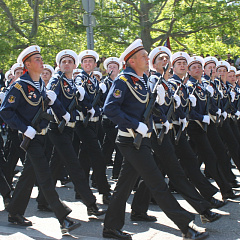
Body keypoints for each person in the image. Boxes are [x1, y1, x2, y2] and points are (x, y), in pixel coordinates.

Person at [102, 39, 209, 240]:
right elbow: (109, 109)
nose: (147, 58)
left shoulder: (141, 80)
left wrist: (159, 118)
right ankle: (186, 226)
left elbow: (145, 108)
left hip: (142, 139)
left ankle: (110, 227)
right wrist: (135, 125)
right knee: (158, 184)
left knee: (123, 186)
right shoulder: (123, 81)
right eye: (143, 56)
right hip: (130, 141)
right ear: (132, 61)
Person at [0, 45, 80, 234]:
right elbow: (6, 112)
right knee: (44, 176)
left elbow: (48, 104)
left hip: (41, 136)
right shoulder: (19, 85)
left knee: (29, 174)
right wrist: (24, 128)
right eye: (37, 59)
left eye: (41, 58)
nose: (41, 62)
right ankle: (63, 218)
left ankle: (14, 212)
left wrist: (62, 112)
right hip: (30, 137)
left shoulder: (39, 84)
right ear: (27, 64)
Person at [186, 57, 239, 200]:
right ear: (189, 71)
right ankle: (223, 188)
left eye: (199, 66)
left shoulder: (202, 86)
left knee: (210, 155)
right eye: (194, 67)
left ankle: (226, 188)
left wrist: (217, 111)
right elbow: (189, 109)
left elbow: (210, 105)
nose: (197, 69)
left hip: (207, 125)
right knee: (202, 157)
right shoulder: (190, 86)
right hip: (195, 126)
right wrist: (203, 116)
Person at [75, 50, 112, 204]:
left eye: (91, 61)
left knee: (84, 156)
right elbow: (77, 97)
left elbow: (102, 102)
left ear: (95, 64)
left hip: (95, 122)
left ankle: (80, 190)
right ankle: (104, 191)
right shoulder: (79, 79)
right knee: (98, 156)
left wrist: (103, 94)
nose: (88, 64)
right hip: (83, 122)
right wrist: (87, 105)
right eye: (85, 62)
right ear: (81, 64)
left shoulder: (95, 81)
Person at [101, 57, 123, 179]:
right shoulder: (104, 83)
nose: (112, 69)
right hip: (108, 120)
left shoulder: (121, 82)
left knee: (107, 149)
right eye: (110, 67)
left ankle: (98, 177)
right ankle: (116, 173)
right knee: (118, 147)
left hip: (118, 119)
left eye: (114, 67)